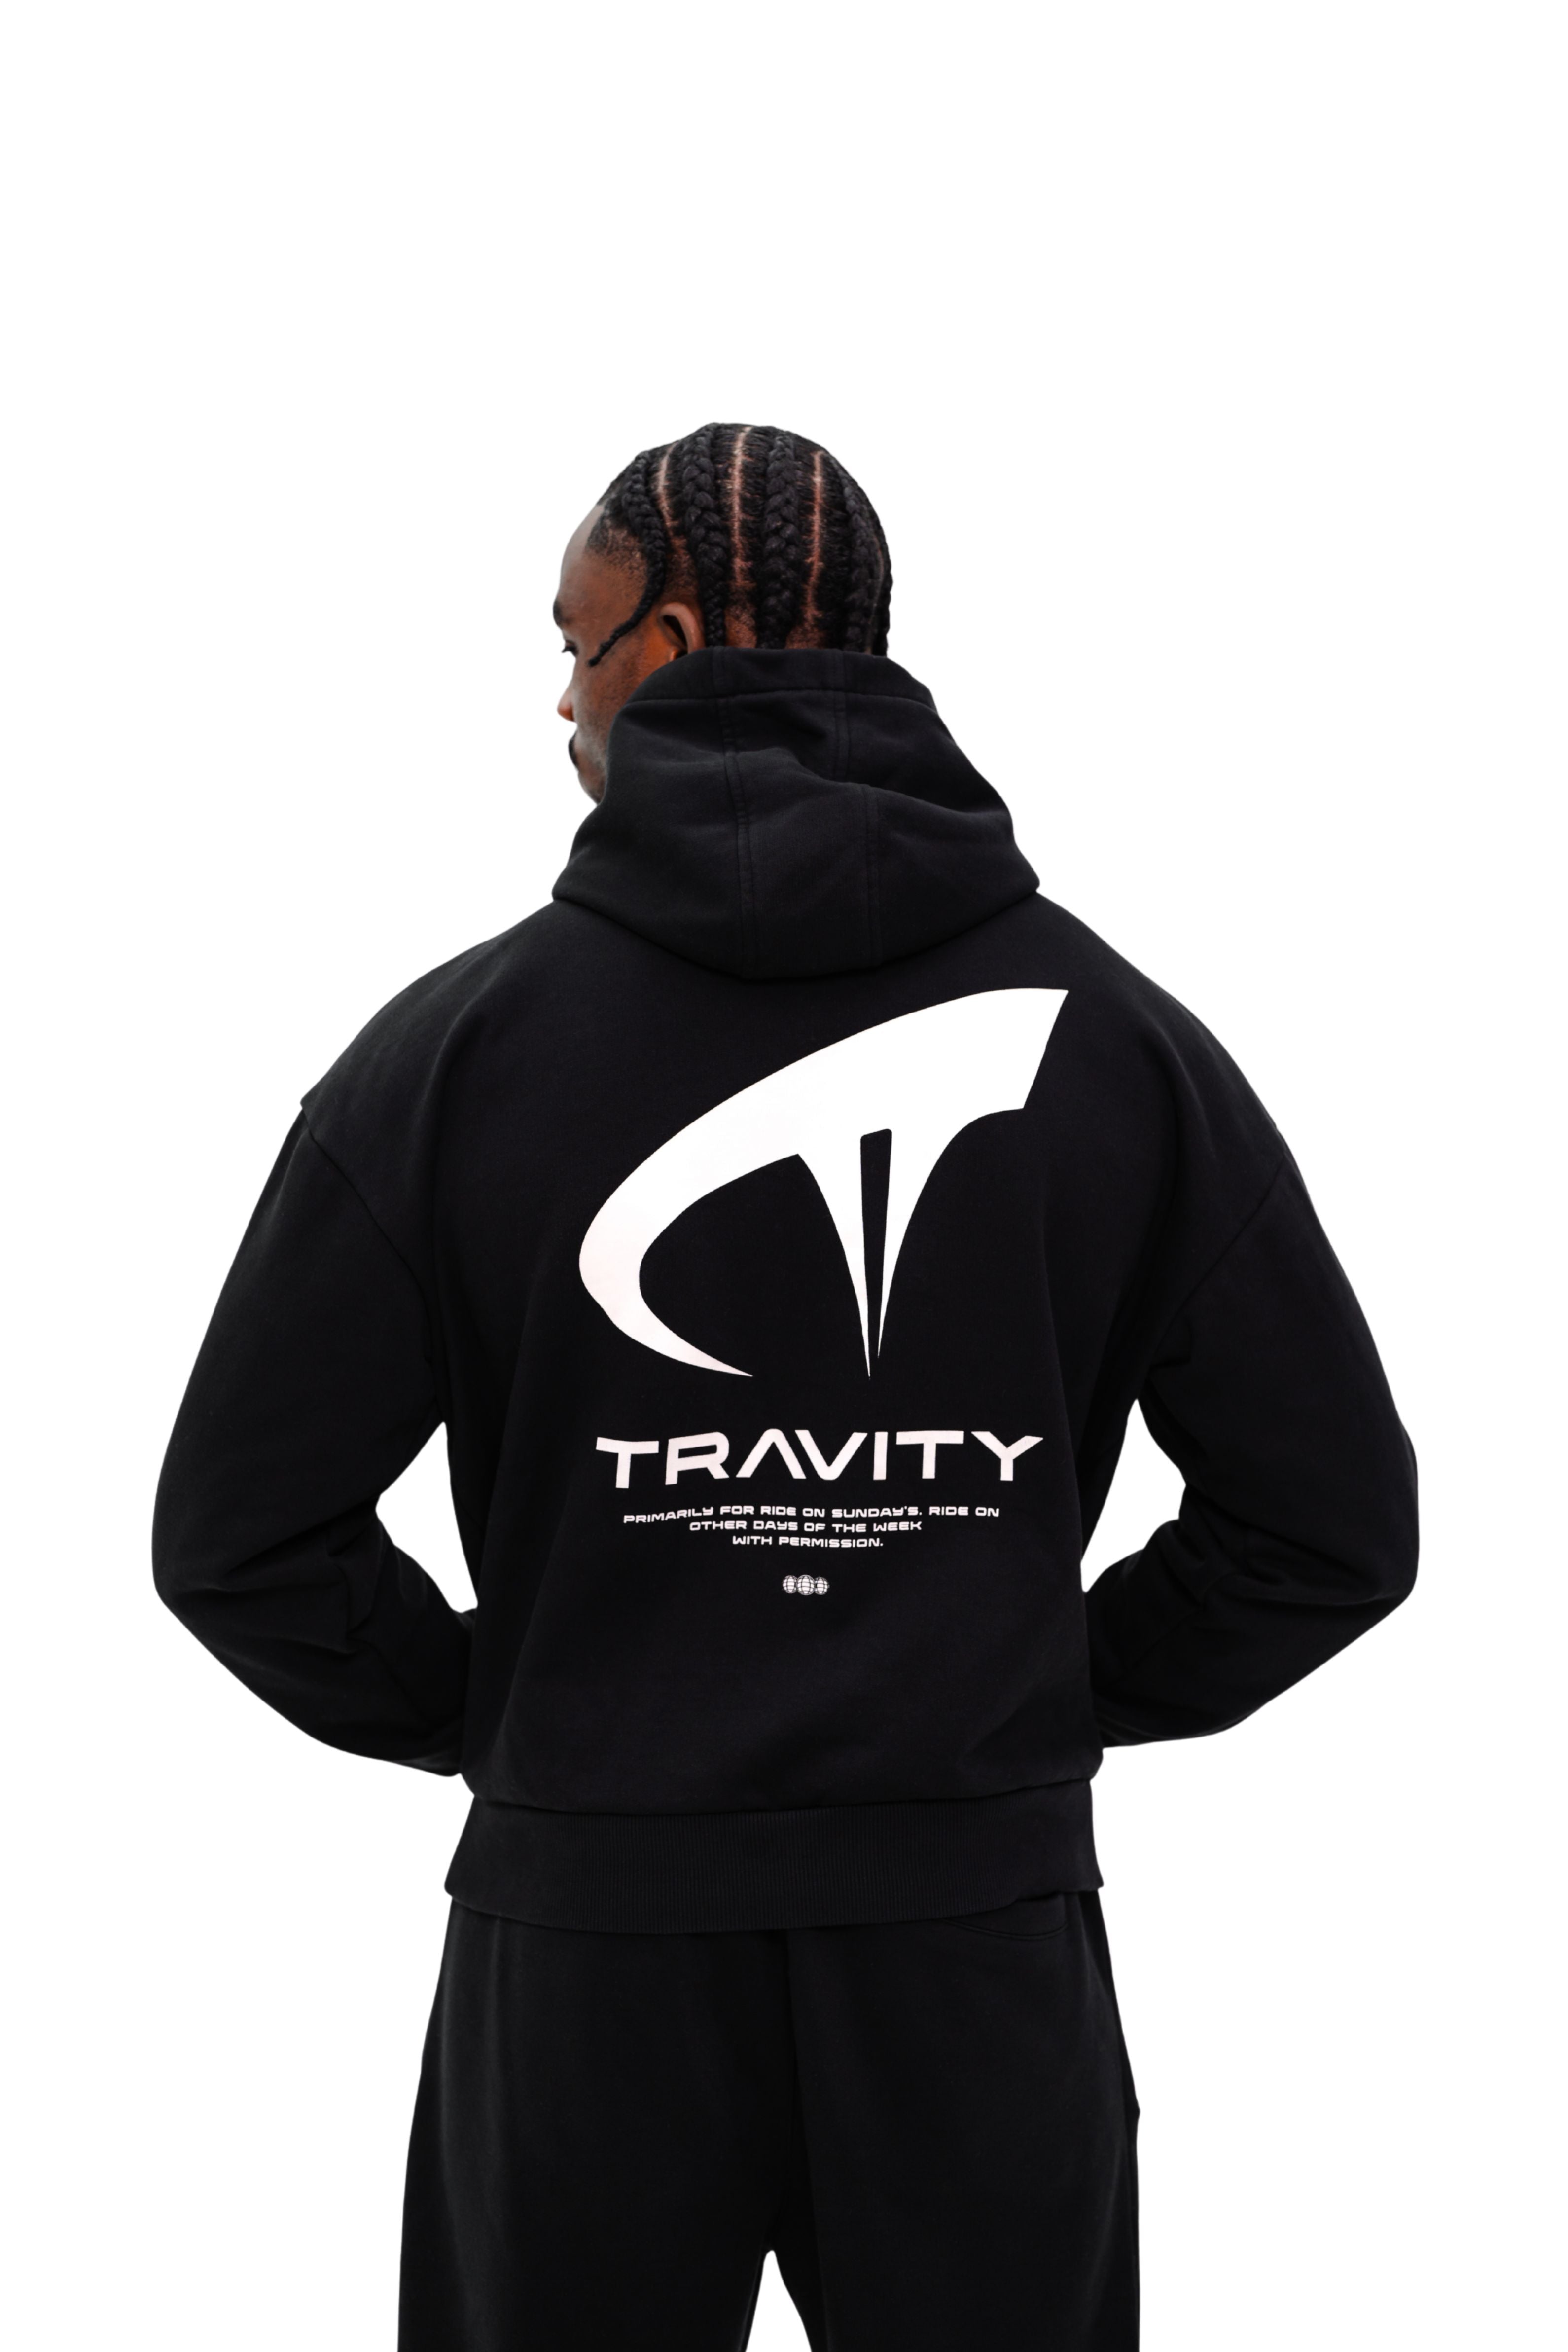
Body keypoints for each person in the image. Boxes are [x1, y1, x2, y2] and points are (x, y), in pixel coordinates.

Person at [153, 421, 1418, 2351]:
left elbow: (239, 1536)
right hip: (974, 1958)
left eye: (574, 644)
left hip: (586, 1960)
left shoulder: (452, 1060)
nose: (560, 700)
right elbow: (1329, 1525)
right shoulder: (1120, 1048)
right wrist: (1019, 1693)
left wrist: (530, 1717)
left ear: (669, 642)